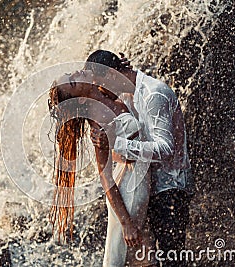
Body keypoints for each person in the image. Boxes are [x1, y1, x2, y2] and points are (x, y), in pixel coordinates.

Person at [86, 50, 195, 267]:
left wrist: (117, 145)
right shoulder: (127, 94)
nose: (100, 90)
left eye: (101, 84)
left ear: (111, 76)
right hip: (147, 186)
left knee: (172, 260)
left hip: (169, 189)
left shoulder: (153, 94)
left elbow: (165, 148)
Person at [48, 70, 157, 266]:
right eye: (73, 81)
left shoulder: (104, 93)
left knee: (143, 254)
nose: (77, 72)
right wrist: (126, 224)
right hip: (131, 192)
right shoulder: (98, 123)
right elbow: (105, 179)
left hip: (139, 178)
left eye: (69, 74)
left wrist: (122, 68)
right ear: (80, 100)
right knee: (123, 256)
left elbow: (126, 86)